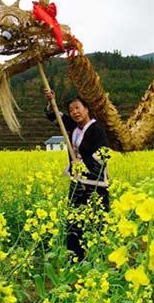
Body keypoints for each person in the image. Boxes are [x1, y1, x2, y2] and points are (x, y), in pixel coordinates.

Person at [44, 89, 110, 261]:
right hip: (76, 180)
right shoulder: (72, 126)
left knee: (98, 221)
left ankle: (100, 260)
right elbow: (54, 116)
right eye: (71, 109)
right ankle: (75, 258)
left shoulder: (97, 129)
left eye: (78, 108)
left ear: (86, 109)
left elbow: (103, 153)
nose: (74, 112)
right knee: (73, 220)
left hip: (96, 183)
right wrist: (51, 101)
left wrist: (84, 165)